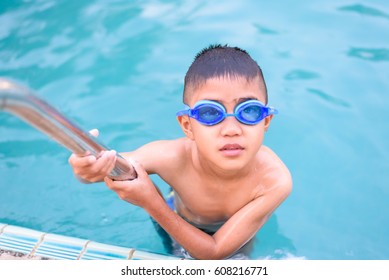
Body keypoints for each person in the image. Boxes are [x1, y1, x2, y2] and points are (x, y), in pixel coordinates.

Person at [68, 44, 292, 260]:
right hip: (175, 216)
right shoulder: (171, 157)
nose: (232, 130)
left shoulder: (274, 180)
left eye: (249, 111)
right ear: (187, 125)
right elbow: (101, 168)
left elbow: (214, 253)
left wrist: (151, 202)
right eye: (209, 113)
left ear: (266, 121)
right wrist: (85, 168)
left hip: (233, 235)